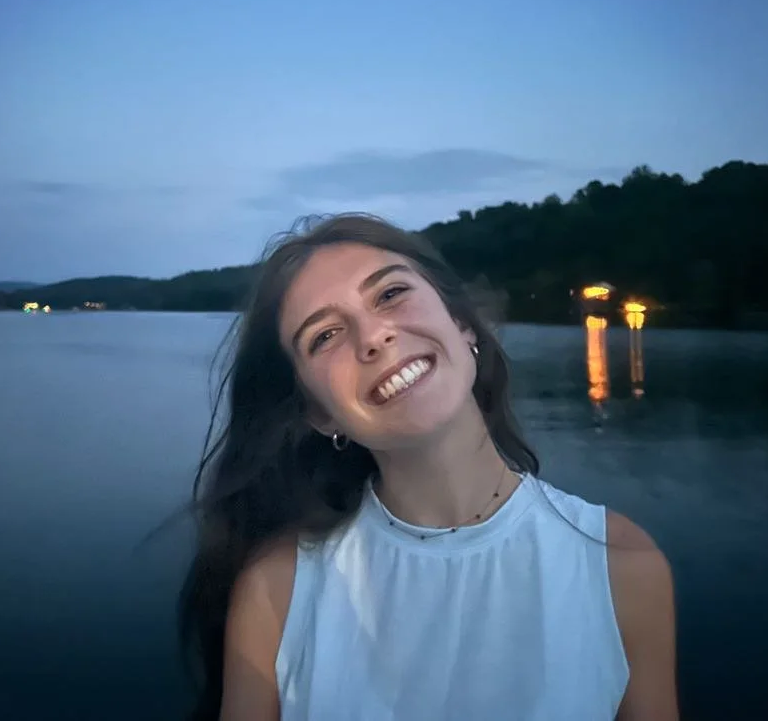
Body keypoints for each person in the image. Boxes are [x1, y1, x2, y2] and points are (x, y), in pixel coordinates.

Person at [177, 213, 678, 721]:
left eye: (391, 293)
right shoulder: (278, 592)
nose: (374, 336)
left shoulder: (617, 565)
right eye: (325, 336)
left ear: (462, 325)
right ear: (319, 412)